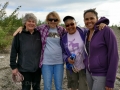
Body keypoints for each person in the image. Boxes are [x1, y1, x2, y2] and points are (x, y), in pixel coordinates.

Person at [13, 11, 66, 90]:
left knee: (59, 86)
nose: (53, 21)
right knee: (47, 86)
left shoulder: (61, 30)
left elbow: (71, 32)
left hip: (59, 62)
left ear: (58, 20)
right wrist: (21, 27)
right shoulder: (42, 28)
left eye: (55, 19)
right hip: (46, 62)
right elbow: (30, 27)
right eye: (51, 19)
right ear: (47, 20)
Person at [61, 15, 108, 90]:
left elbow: (94, 27)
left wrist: (103, 22)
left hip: (84, 66)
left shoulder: (84, 32)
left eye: (72, 24)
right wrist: (67, 59)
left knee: (84, 87)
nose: (70, 26)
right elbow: (63, 52)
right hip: (71, 67)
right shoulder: (63, 38)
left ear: (75, 23)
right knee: (73, 87)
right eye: (67, 25)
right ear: (65, 26)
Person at [83, 9, 119, 90]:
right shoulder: (86, 33)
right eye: (86, 19)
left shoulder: (105, 30)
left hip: (101, 74)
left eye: (92, 18)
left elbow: (114, 56)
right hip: (89, 73)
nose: (89, 21)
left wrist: (110, 81)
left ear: (97, 19)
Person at [10, 13, 42, 90]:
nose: (31, 23)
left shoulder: (39, 33)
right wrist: (13, 67)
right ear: (25, 23)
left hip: (37, 69)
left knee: (37, 87)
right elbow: (13, 51)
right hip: (24, 68)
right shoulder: (19, 34)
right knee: (26, 88)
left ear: (35, 23)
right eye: (29, 21)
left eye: (33, 21)